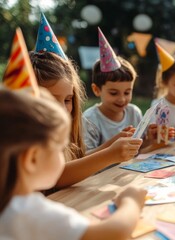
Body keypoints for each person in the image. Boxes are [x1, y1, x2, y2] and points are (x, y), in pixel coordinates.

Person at [0, 88, 146, 240]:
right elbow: (114, 233)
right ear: (32, 159)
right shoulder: (31, 212)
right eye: (59, 149)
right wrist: (131, 201)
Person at [30, 15, 143, 189]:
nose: (62, 109)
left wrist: (109, 146)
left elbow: (78, 162)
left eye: (68, 100)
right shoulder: (27, 141)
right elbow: (56, 176)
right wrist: (109, 154)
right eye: (50, 100)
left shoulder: (66, 133)